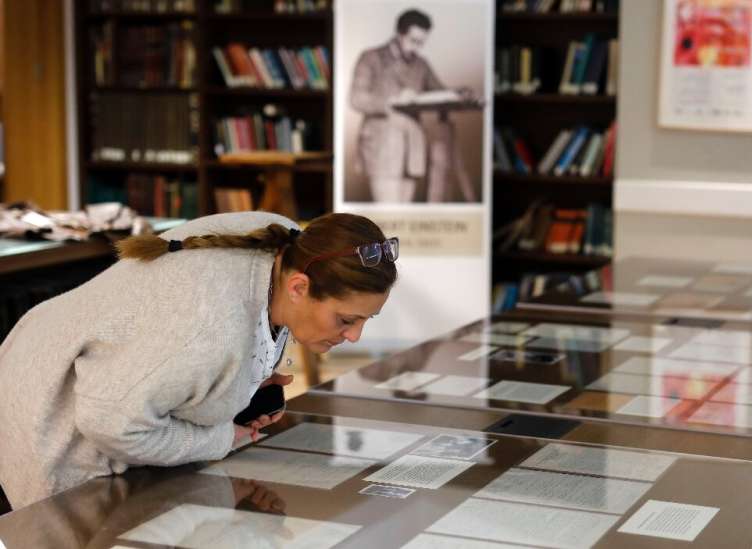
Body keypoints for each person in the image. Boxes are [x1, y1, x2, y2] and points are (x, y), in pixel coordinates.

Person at [0, 211, 398, 509]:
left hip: (102, 373)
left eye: (366, 319)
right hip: (48, 409)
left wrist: (242, 385)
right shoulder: (206, 330)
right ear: (298, 286)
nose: (354, 335)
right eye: (346, 319)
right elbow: (109, 423)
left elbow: (176, 356)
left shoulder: (291, 244)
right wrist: (221, 438)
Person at [350, 8, 476, 203]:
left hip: (413, 149)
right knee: (387, 217)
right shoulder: (371, 57)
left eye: (422, 43)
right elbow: (356, 98)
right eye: (413, 41)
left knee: (403, 220)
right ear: (400, 34)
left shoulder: (421, 64)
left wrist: (460, 93)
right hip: (382, 148)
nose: (417, 48)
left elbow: (440, 92)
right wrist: (393, 100)